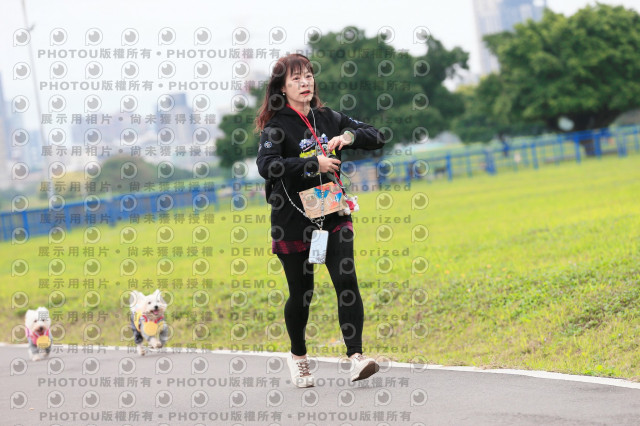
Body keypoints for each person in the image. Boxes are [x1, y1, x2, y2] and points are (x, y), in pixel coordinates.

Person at [255, 53, 385, 387]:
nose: (305, 83)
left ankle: (356, 357)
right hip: (293, 220)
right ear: (282, 88)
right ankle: (298, 357)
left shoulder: (327, 117)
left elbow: (376, 134)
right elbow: (267, 165)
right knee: (302, 293)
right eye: (296, 78)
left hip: (331, 212)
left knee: (346, 280)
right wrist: (313, 163)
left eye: (309, 76)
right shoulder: (276, 127)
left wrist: (349, 137)